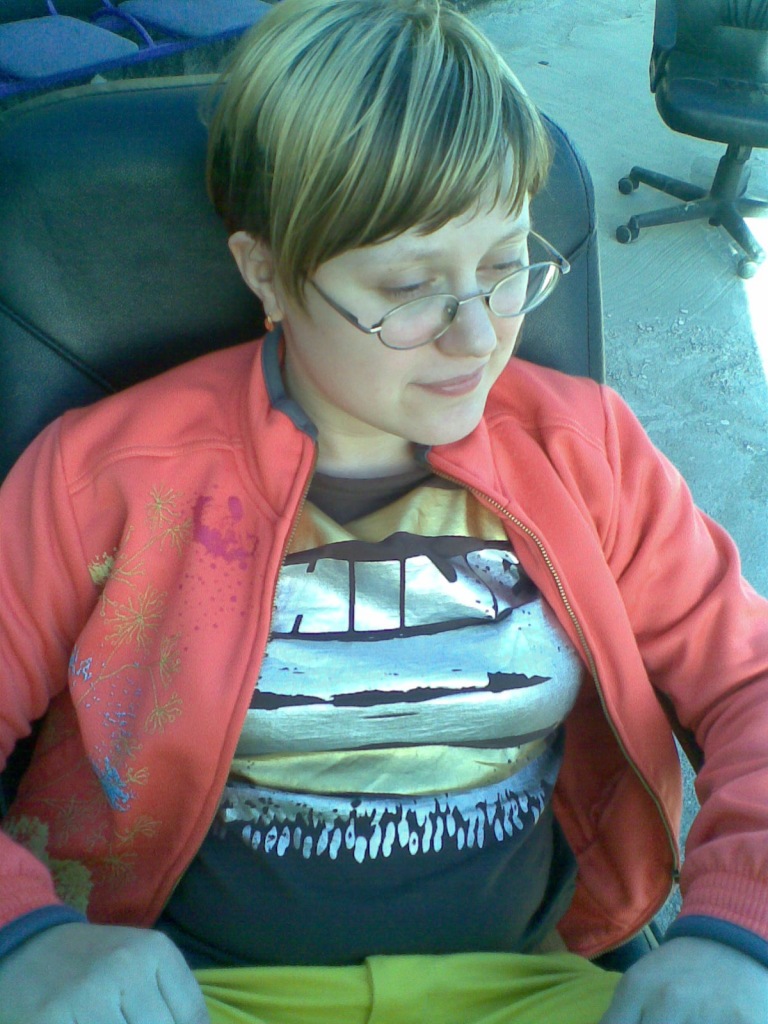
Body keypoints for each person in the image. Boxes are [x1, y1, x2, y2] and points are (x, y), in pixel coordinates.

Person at [0, 0, 766, 1021]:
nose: (478, 338)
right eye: (410, 288)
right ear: (267, 272)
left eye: (506, 266)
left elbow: (749, 680)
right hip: (189, 992)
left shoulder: (584, 453)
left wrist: (736, 931)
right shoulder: (107, 480)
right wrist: (27, 935)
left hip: (527, 985)